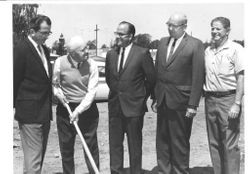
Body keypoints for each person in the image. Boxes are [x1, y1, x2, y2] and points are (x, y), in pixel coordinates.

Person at [151, 13, 205, 174]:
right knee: (162, 140)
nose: (170, 28)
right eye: (168, 24)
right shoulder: (162, 43)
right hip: (162, 100)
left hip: (182, 101)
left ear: (184, 27)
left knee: (179, 140)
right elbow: (158, 72)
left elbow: (198, 76)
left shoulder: (195, 45)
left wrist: (193, 104)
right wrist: (155, 97)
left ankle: (180, 171)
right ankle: (164, 170)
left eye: (174, 26)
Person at [105, 21, 156, 174]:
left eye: (121, 34)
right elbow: (109, 78)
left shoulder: (141, 53)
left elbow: (151, 79)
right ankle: (116, 171)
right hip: (115, 107)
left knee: (134, 146)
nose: (118, 37)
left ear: (130, 36)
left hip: (134, 108)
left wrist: (141, 97)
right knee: (115, 145)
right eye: (117, 33)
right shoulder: (111, 54)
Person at [52, 36, 100, 174]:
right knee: (66, 148)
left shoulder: (92, 64)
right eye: (83, 49)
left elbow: (91, 92)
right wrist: (57, 93)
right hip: (65, 109)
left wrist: (78, 111)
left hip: (86, 109)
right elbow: (55, 84)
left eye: (87, 47)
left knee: (90, 146)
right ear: (72, 53)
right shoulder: (60, 63)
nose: (87, 51)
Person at [203, 17, 244, 174]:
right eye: (212, 28)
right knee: (214, 142)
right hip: (210, 99)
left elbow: (241, 77)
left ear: (227, 30)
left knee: (230, 143)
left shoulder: (236, 49)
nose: (214, 31)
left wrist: (237, 103)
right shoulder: (208, 50)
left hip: (228, 99)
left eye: (218, 29)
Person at [13, 15, 53, 174]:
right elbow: (13, 79)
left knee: (36, 158)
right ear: (32, 31)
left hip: (44, 112)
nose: (46, 36)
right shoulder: (21, 49)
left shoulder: (45, 50)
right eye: (44, 32)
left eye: (49, 33)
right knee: (34, 160)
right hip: (29, 113)